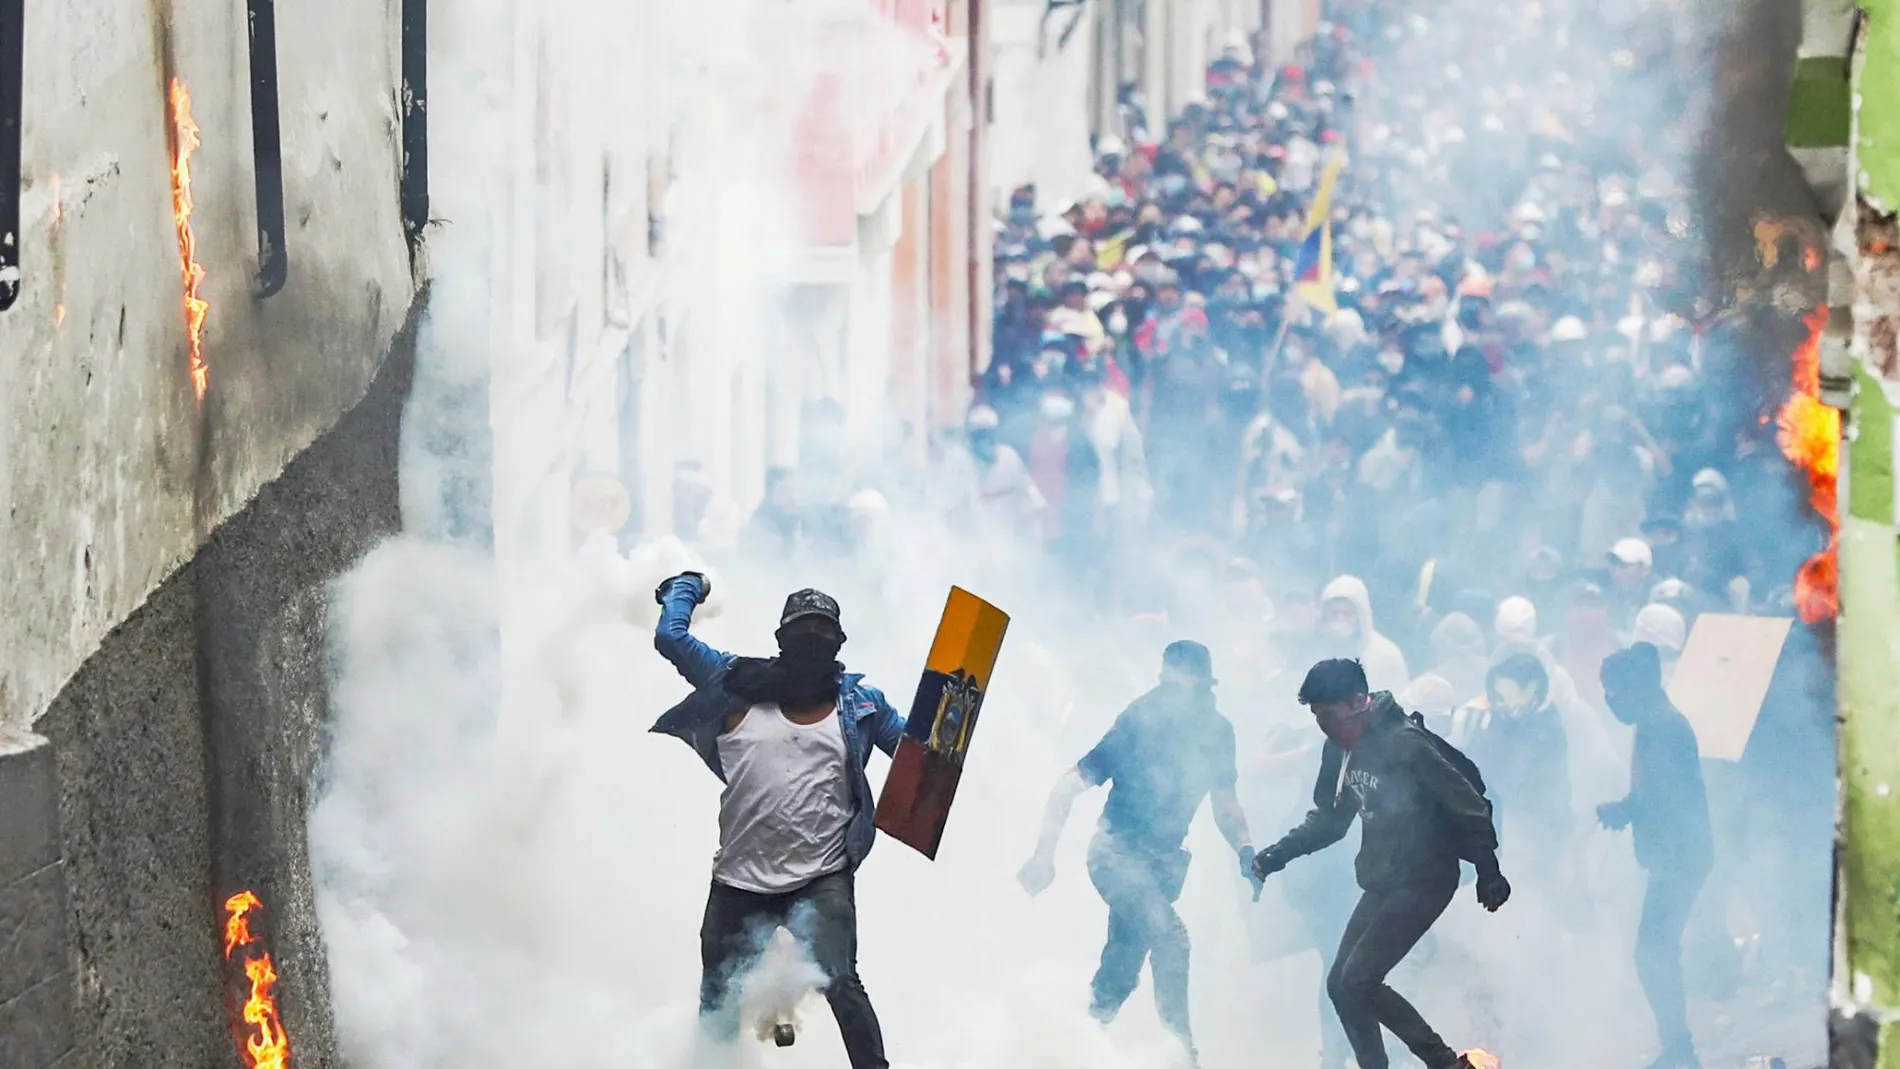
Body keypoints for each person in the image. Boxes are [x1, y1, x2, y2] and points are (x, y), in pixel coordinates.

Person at [650, 574, 903, 1069]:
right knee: (719, 1002)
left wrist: (954, 702)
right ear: (781, 639)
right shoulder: (734, 683)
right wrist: (685, 586)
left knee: (842, 983)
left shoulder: (862, 705)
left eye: (823, 632)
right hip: (740, 880)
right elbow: (671, 638)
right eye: (803, 630)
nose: (813, 640)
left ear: (838, 644)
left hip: (820, 876)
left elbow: (922, 755)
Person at [1251, 658, 1509, 1069]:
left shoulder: (1405, 742)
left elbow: (1468, 805)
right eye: (1317, 717)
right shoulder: (1338, 748)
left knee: (1360, 979)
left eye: (1330, 715)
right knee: (1340, 984)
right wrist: (1277, 854)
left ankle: (1446, 1064)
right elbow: (1332, 820)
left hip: (1427, 878)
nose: (1326, 726)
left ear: (1358, 702)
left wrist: (1488, 869)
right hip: (1384, 879)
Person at [1018, 641, 1254, 1067]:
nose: (1171, 699)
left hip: (1161, 865)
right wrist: (1043, 856)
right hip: (1114, 855)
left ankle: (1068, 1049)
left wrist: (1246, 849)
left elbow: (1225, 803)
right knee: (1172, 938)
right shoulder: (1138, 720)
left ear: (1204, 688)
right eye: (1166, 686)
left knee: (1120, 971)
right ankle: (1183, 1056)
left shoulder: (1218, 733)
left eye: (1182, 689)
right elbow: (1069, 785)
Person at [1596, 643, 1713, 1069]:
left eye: (1614, 692)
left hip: (1681, 855)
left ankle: (1680, 1050)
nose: (1610, 702)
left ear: (1636, 688)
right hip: (1676, 853)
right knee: (1656, 948)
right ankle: (1677, 1047)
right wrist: (1628, 806)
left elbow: (1663, 797)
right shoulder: (1654, 723)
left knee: (1653, 949)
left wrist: (1624, 810)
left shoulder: (1663, 726)